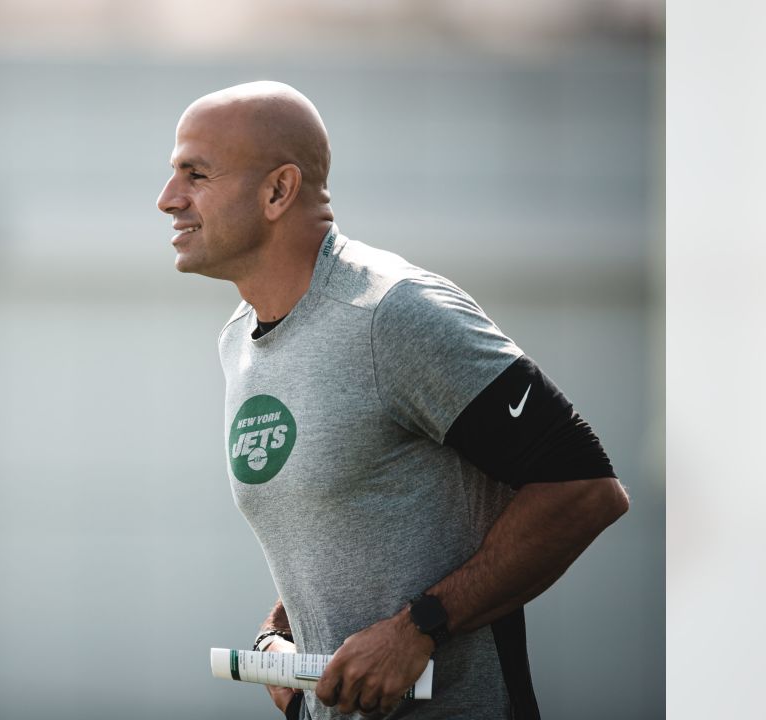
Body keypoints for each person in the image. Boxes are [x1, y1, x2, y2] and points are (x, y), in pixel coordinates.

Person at [155, 81, 629, 720]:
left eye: (197, 174)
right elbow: (348, 519)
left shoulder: (393, 314)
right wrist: (287, 628)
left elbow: (584, 489)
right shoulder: (239, 339)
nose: (168, 200)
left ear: (277, 191)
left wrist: (419, 629)